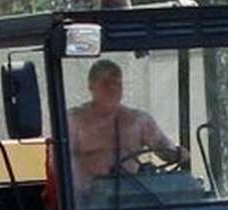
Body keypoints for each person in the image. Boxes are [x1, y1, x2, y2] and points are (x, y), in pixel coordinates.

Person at [68, 58, 188, 199]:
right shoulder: (74, 121)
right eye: (106, 83)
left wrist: (180, 154)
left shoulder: (139, 121)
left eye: (117, 83)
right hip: (88, 205)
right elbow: (59, 166)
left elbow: (164, 149)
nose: (112, 88)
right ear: (91, 86)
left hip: (130, 200)